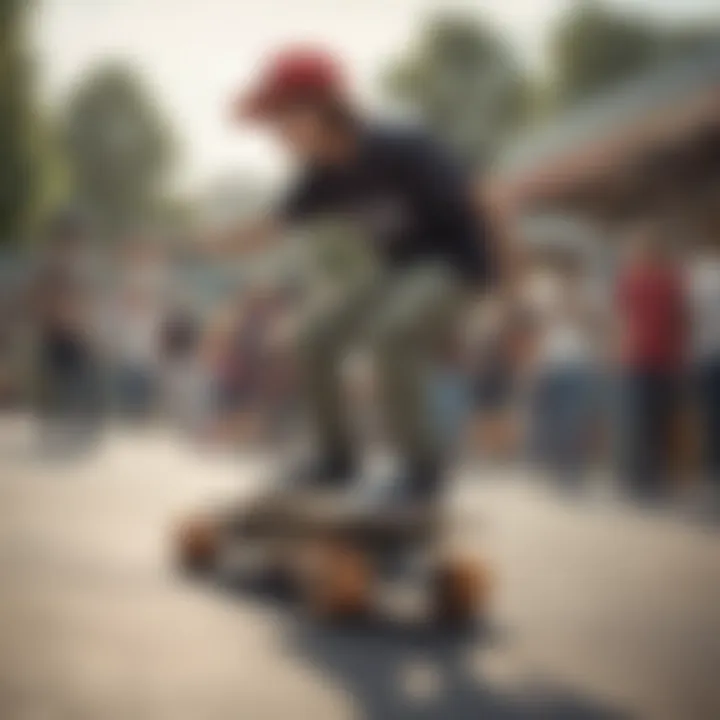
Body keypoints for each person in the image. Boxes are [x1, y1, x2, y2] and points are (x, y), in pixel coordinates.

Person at [227, 47, 494, 512]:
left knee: (391, 334)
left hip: (455, 265)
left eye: (284, 118)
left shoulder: (402, 145)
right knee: (312, 337)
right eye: (273, 123)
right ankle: (336, 459)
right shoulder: (319, 176)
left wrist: (506, 284)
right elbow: (265, 230)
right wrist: (179, 244)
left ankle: (421, 471)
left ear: (323, 107)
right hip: (396, 276)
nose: (277, 134)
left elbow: (482, 201)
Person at [615, 223, 687, 501]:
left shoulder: (662, 280)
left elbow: (678, 319)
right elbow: (622, 319)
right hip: (645, 358)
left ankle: (646, 478)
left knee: (648, 420)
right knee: (645, 420)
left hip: (654, 359)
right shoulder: (641, 280)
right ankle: (641, 478)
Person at [687, 234, 720, 498]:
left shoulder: (700, 275)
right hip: (707, 355)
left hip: (707, 355)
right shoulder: (701, 274)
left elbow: (689, 317)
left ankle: (711, 478)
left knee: (710, 418)